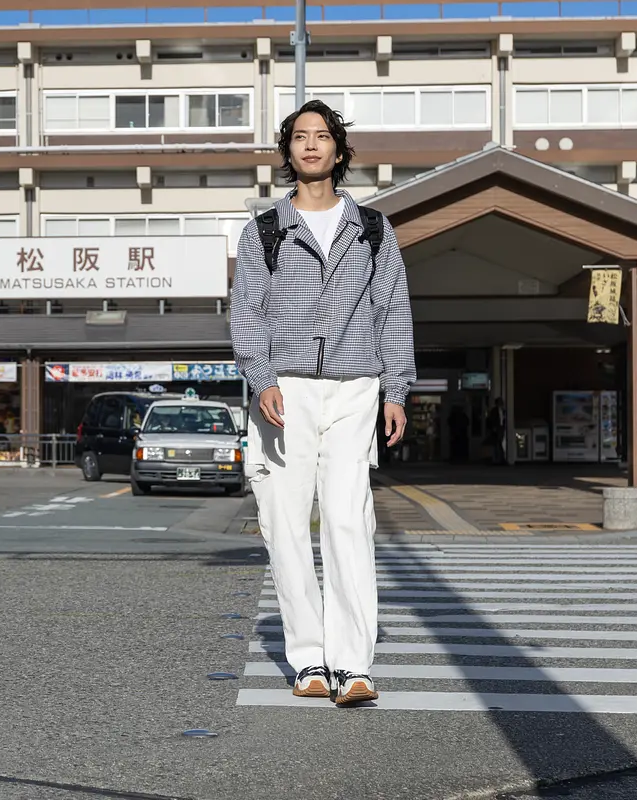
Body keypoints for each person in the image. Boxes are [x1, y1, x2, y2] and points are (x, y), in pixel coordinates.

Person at [230, 100, 416, 706]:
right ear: (288, 152)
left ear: (339, 150)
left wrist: (397, 388)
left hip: (356, 387)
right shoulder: (265, 229)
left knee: (346, 520)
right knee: (285, 528)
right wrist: (261, 380)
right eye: (300, 137)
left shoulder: (373, 229)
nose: (312, 146)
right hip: (284, 390)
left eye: (323, 136)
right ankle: (309, 660)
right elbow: (248, 316)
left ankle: (353, 665)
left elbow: (391, 311)